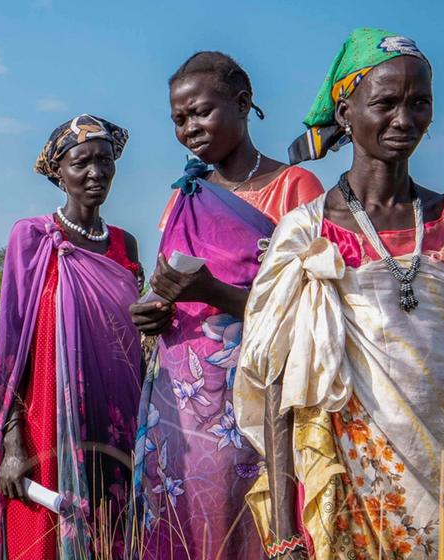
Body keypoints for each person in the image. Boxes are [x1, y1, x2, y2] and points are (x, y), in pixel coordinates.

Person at [235, 28, 444, 559]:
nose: (405, 119)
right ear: (346, 112)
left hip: (435, 473)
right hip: (342, 474)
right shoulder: (305, 234)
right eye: (386, 102)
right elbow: (277, 385)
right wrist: (285, 534)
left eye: (419, 103)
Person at [128, 52, 323, 559]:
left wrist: (213, 294)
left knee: (254, 516)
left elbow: (309, 307)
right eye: (178, 119)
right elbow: (163, 285)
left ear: (242, 104)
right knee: (185, 517)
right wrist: (152, 311)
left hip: (260, 393)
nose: (189, 128)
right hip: (181, 395)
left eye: (200, 112)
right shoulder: (183, 196)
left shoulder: (295, 190)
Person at [0, 114, 143, 559]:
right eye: (81, 163)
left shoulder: (124, 245)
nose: (95, 173)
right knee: (47, 537)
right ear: (59, 173)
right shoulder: (33, 238)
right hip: (48, 420)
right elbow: (12, 351)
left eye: (105, 160)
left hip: (116, 418)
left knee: (113, 532)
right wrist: (13, 443)